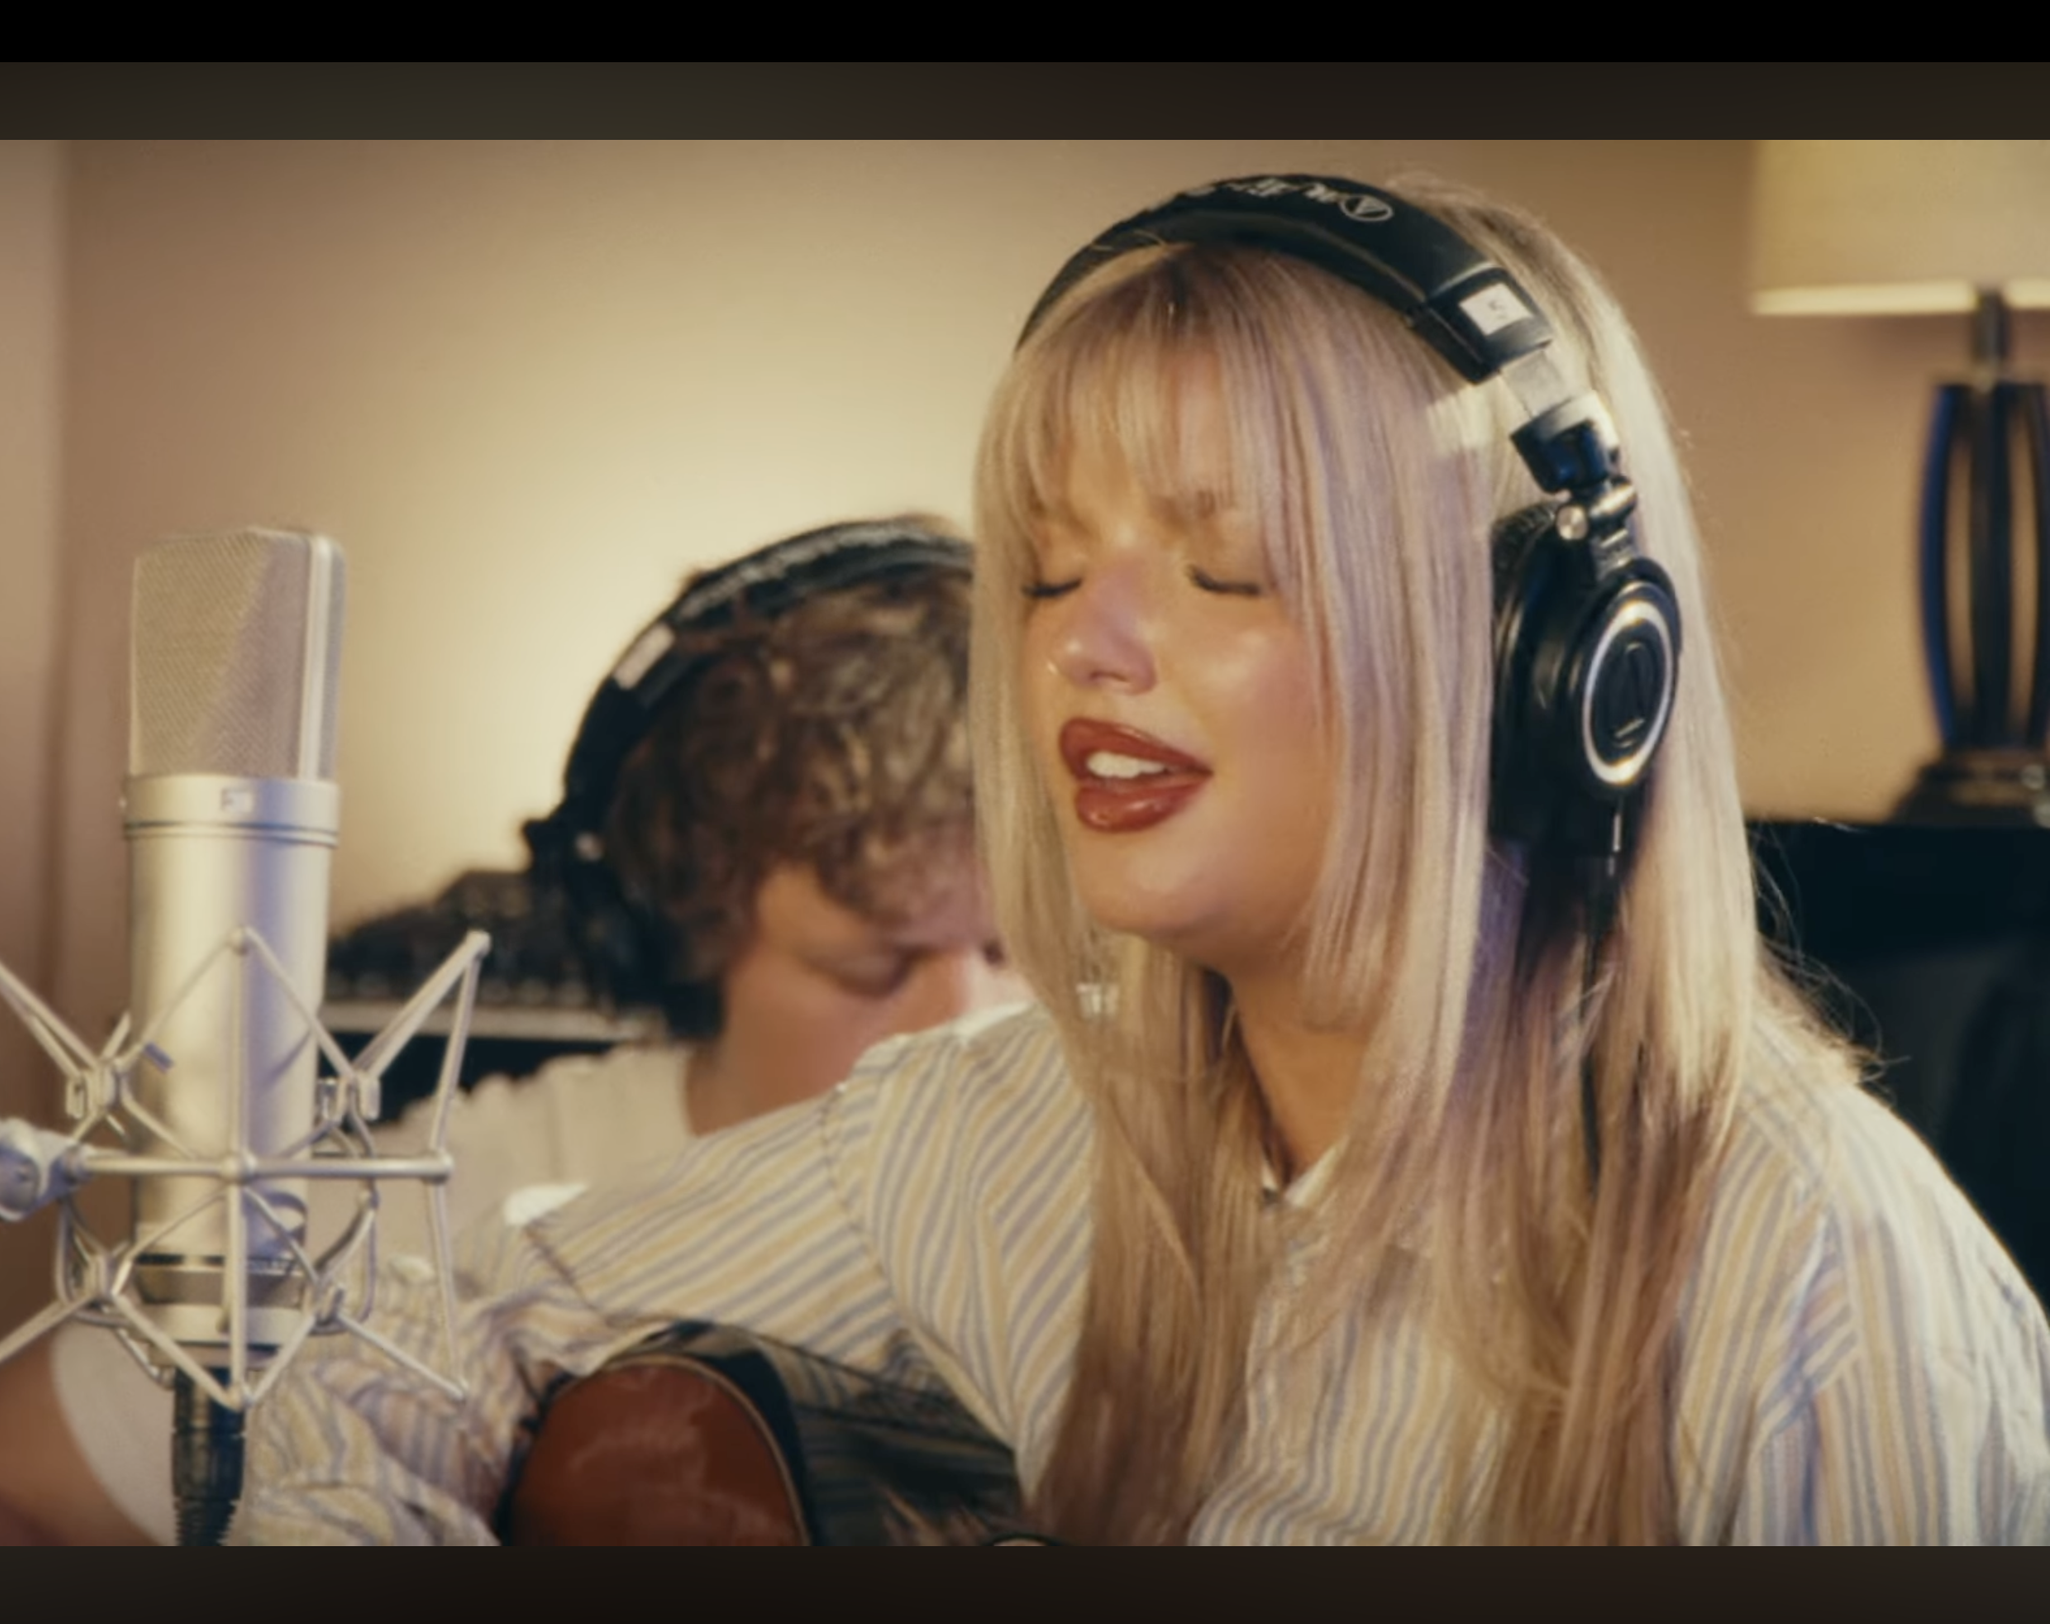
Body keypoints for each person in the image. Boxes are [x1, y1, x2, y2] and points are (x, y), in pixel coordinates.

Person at [230, 173, 2050, 1546]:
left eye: (1221, 562)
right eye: (1044, 566)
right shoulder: (997, 1137)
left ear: (1548, 661)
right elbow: (411, 1325)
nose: (1080, 649)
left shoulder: (1819, 1277)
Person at [0, 516, 1027, 1545]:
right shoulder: (461, 1205)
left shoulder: (1134, 1185)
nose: (963, 1025)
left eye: (1018, 952)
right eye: (869, 963)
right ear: (692, 935)